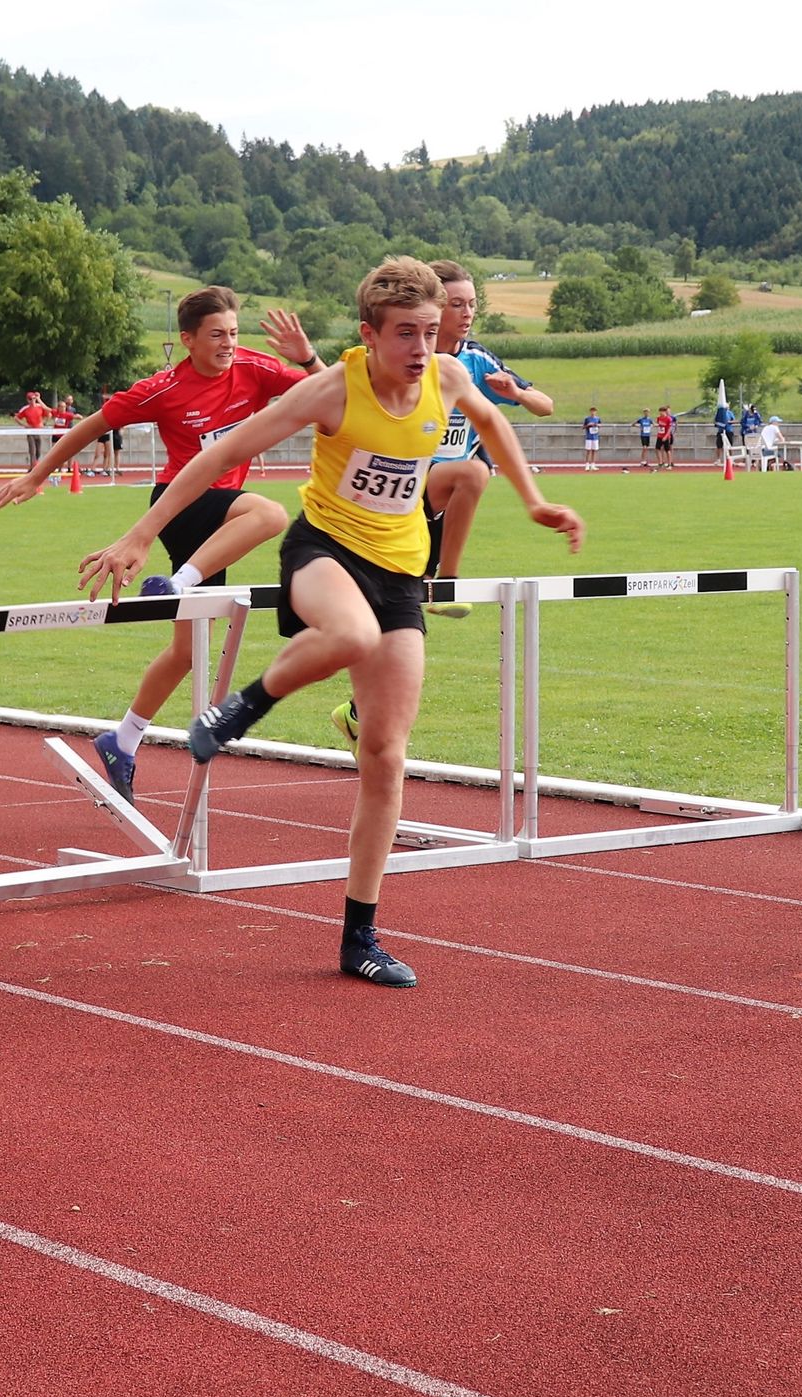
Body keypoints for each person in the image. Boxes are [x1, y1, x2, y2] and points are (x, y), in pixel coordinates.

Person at [78, 257, 582, 986]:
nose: (420, 348)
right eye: (405, 333)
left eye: (430, 332)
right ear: (369, 336)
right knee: (351, 635)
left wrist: (534, 501)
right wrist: (137, 533)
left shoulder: (445, 378)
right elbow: (223, 453)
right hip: (323, 555)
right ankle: (241, 708)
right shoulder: (330, 392)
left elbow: (494, 421)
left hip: (401, 571)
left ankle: (359, 939)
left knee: (384, 754)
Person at [0, 285, 321, 803]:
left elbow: (329, 393)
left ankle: (121, 740)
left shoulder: (257, 369)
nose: (228, 343)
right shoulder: (163, 388)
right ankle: (177, 581)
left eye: (233, 333)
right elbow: (90, 426)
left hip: (222, 518)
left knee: (189, 650)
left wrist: (308, 358)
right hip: (181, 505)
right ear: (187, 340)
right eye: (216, 335)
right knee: (271, 513)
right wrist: (38, 475)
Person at [394, 260, 555, 618]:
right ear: (434, 305)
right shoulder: (408, 355)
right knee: (397, 594)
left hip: (447, 492)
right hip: (402, 481)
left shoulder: (476, 359)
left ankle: (447, 582)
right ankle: (442, 582)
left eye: (472, 304)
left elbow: (546, 406)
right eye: (456, 304)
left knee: (473, 471)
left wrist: (517, 392)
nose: (467, 313)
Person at [15, 390, 51, 466]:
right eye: (31, 399)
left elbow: (49, 414)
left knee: (38, 451)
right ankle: (32, 466)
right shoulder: (25, 409)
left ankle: (36, 463)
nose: (32, 401)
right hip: (30, 431)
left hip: (38, 431)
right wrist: (25, 425)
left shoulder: (40, 407)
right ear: (28, 400)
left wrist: (44, 423)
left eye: (34, 399)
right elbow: (16, 418)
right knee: (32, 450)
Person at [654, 405, 675, 469]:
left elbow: (669, 429)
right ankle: (660, 463)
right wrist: (656, 425)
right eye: (660, 412)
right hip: (660, 435)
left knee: (667, 450)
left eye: (662, 412)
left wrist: (666, 436)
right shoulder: (659, 418)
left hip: (666, 436)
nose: (661, 413)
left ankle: (669, 464)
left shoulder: (669, 419)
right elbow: (659, 425)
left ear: (665, 412)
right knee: (657, 448)